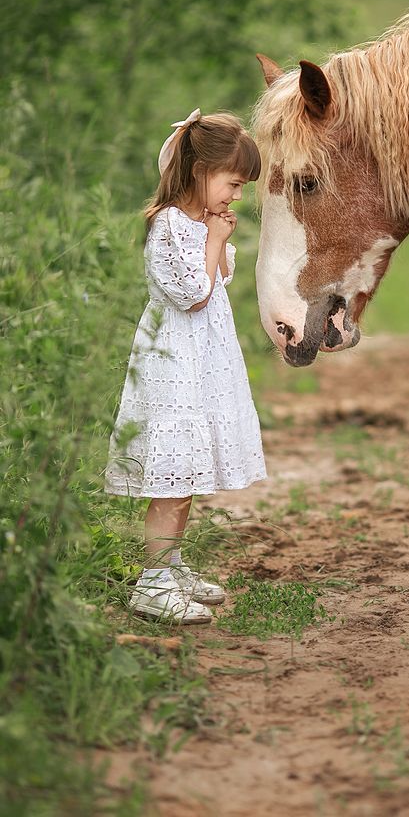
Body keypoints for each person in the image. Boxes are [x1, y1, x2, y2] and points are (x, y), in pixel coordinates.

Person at [104, 108, 267, 624]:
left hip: (201, 363)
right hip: (173, 362)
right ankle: (151, 583)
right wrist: (216, 239)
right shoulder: (171, 225)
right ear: (200, 172)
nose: (237, 196)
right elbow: (194, 294)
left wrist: (216, 239)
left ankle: (170, 564)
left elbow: (220, 277)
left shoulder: (198, 223)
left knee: (187, 470)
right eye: (233, 183)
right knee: (171, 474)